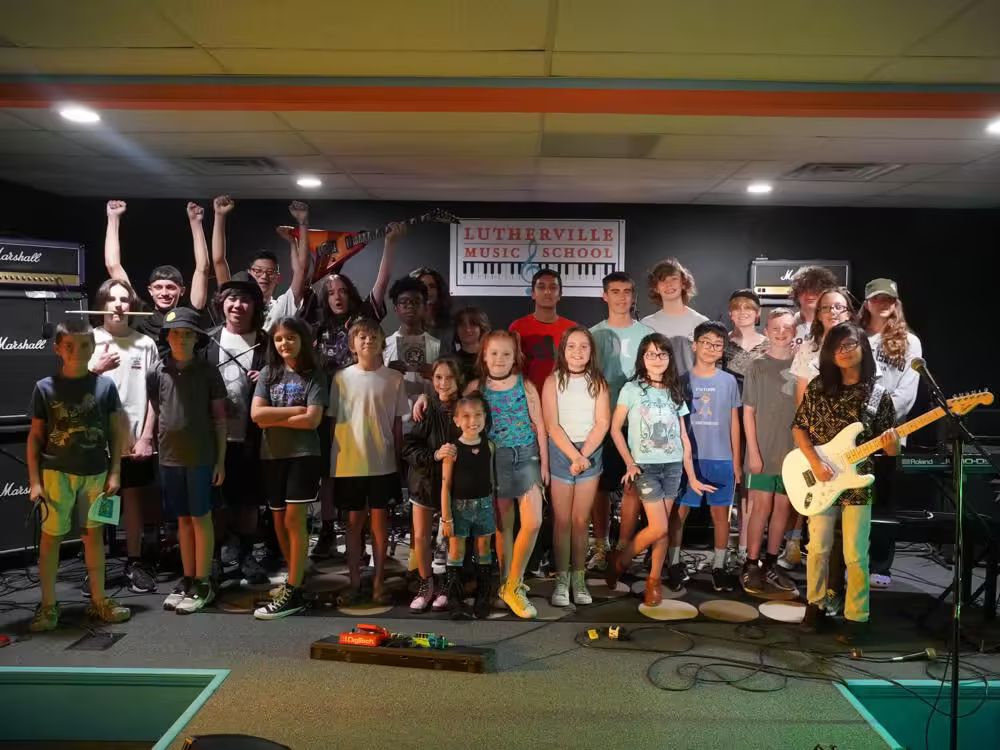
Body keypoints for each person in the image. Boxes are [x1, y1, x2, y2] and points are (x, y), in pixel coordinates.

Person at [793, 322, 899, 642]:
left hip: (858, 480)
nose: (843, 351)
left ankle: (857, 617)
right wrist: (815, 462)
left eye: (849, 344)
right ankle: (815, 604)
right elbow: (799, 427)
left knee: (855, 553)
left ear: (863, 347)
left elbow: (890, 450)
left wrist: (892, 440)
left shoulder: (878, 395)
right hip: (822, 478)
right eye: (836, 346)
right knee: (818, 547)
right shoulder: (817, 387)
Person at [26, 319, 131, 632]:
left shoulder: (105, 386)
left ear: (93, 346)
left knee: (94, 536)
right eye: (69, 345)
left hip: (96, 473)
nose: (77, 351)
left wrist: (115, 472)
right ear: (58, 348)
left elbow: (115, 433)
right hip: (56, 474)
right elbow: (35, 437)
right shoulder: (44, 388)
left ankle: (98, 600)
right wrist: (34, 480)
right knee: (51, 538)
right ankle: (47, 605)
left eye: (84, 345)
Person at [310, 224, 401, 559]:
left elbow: (381, 284)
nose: (336, 296)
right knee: (330, 475)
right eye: (330, 291)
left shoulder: (363, 320)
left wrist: (389, 243)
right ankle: (327, 531)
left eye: (342, 291)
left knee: (365, 476)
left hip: (366, 410)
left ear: (350, 294)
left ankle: (364, 539)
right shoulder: (317, 327)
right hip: (329, 410)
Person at [604, 334, 703, 606]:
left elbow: (683, 437)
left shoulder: (674, 389)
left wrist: (691, 475)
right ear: (642, 359)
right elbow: (615, 429)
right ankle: (622, 561)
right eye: (650, 354)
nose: (656, 359)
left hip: (672, 467)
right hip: (645, 467)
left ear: (670, 358)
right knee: (658, 526)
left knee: (663, 529)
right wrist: (629, 462)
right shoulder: (632, 389)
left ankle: (654, 580)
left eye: (662, 354)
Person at [149, 308, 227, 614]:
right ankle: (189, 576)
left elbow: (220, 420)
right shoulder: (157, 371)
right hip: (169, 457)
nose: (180, 338)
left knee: (200, 517)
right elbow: (157, 409)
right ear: (167, 337)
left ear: (197, 338)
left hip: (201, 457)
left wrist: (220, 460)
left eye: (187, 333)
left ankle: (204, 582)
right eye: (175, 333)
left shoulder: (208, 372)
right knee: (181, 519)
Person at [250, 317, 327, 619]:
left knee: (295, 521)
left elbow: (313, 420)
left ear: (302, 340)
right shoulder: (268, 373)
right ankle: (295, 578)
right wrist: (294, 410)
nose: (284, 343)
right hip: (272, 455)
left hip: (303, 455)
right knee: (280, 522)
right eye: (279, 339)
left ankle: (293, 590)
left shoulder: (314, 375)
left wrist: (275, 416)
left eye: (291, 337)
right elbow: (257, 415)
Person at [468, 330, 547, 619]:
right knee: (504, 527)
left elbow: (539, 425)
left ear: (516, 357)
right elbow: (460, 416)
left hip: (526, 457)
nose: (500, 359)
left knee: (534, 520)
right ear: (484, 357)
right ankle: (506, 584)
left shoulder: (525, 386)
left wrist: (545, 466)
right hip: (495, 461)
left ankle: (514, 582)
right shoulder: (477, 388)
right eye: (494, 353)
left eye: (506, 353)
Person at [87, 278, 159, 595]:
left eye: (124, 299)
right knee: (102, 501)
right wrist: (95, 369)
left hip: (133, 443)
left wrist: (146, 436)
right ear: (102, 304)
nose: (118, 305)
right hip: (96, 441)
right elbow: (68, 392)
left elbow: (155, 397)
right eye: (112, 299)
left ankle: (133, 561)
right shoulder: (88, 340)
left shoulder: (145, 344)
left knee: (131, 500)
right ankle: (100, 564)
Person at [329, 319, 408, 605]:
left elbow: (398, 425)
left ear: (382, 343)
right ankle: (353, 582)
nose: (367, 341)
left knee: (380, 526)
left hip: (383, 464)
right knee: (352, 525)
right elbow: (332, 422)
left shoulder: (394, 379)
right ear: (352, 344)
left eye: (374, 337)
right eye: (361, 337)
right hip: (348, 464)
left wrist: (397, 461)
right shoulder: (341, 378)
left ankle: (377, 583)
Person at [782, 287, 854, 570]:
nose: (834, 313)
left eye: (839, 307)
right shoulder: (808, 347)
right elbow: (801, 396)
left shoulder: (860, 344)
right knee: (820, 513)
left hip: (851, 441)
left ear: (848, 311)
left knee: (848, 520)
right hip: (817, 439)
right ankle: (817, 589)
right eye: (827, 308)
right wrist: (809, 436)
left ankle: (840, 581)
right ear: (819, 314)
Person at [204, 274, 270, 585]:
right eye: (232, 298)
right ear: (222, 302)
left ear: (255, 305)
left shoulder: (267, 341)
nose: (238, 305)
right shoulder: (207, 340)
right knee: (215, 502)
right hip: (214, 437)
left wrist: (268, 378)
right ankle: (215, 557)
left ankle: (246, 555)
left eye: (245, 299)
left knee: (248, 501)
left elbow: (286, 378)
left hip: (252, 437)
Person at [588, 272, 654, 572]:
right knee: (600, 488)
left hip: (637, 425)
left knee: (632, 487)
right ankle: (600, 547)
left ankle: (623, 549)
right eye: (615, 291)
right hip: (602, 423)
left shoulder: (647, 334)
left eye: (627, 291)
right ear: (605, 296)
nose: (621, 297)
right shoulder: (592, 335)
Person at [860, 278, 922, 588]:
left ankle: (880, 567)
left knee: (883, 501)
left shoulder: (910, 342)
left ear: (895, 303)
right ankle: (853, 561)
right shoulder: (855, 336)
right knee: (855, 501)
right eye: (876, 299)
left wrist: (875, 421)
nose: (882, 304)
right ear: (867, 303)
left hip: (888, 434)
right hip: (853, 434)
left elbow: (907, 393)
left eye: (888, 299)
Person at [542, 327, 610, 607]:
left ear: (591, 351)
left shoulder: (599, 383)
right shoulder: (552, 381)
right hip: (562, 451)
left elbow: (602, 423)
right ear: (563, 349)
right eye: (572, 346)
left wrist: (584, 455)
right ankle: (561, 580)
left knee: (581, 521)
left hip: (590, 450)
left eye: (584, 346)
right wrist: (574, 456)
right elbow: (552, 425)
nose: (578, 352)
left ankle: (579, 579)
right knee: (562, 521)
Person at [673, 321, 742, 592]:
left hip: (721, 458)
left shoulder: (728, 381)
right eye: (706, 342)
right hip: (691, 459)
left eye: (717, 344)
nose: (711, 348)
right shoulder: (681, 380)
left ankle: (719, 565)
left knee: (720, 514)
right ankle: (674, 562)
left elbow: (734, 422)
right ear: (695, 344)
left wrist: (736, 460)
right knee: (681, 512)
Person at [740, 308, 798, 595]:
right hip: (762, 449)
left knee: (782, 508)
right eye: (776, 328)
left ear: (795, 332)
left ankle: (772, 563)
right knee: (760, 508)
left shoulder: (804, 367)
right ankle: (751, 563)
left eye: (787, 328)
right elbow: (748, 412)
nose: (781, 333)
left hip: (792, 453)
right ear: (767, 331)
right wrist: (753, 451)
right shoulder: (757, 366)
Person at [104, 200, 210, 353]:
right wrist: (113, 218)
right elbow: (113, 266)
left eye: (171, 288)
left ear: (182, 290)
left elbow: (203, 269)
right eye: (158, 287)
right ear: (150, 290)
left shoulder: (188, 314)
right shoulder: (141, 313)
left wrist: (196, 223)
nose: (164, 293)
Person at [402, 358, 463, 612]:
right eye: (438, 377)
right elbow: (409, 447)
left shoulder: (467, 407)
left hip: (455, 485)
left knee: (452, 539)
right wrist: (434, 456)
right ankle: (426, 584)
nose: (443, 383)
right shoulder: (425, 407)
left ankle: (449, 585)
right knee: (421, 537)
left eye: (449, 377)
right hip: (425, 481)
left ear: (458, 379)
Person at [211, 196, 312, 333]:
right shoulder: (236, 303)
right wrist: (219, 216)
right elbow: (219, 261)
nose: (264, 276)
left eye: (270, 272)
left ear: (277, 277)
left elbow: (301, 270)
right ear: (250, 273)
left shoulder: (280, 308)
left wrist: (302, 224)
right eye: (258, 271)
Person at [440, 391, 497, 620]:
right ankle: (455, 599)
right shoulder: (452, 450)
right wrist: (446, 517)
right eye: (466, 416)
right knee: (457, 550)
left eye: (477, 415)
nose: (473, 421)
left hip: (484, 506)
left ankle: (483, 596)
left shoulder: (490, 446)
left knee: (484, 550)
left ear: (485, 417)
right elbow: (445, 485)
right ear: (456, 420)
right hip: (459, 508)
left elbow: (492, 479)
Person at [723, 289, 768, 565]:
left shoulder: (769, 343)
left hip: (758, 419)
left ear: (757, 313)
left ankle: (745, 545)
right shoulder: (721, 343)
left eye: (748, 308)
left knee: (751, 485)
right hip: (727, 417)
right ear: (730, 313)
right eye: (737, 309)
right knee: (730, 480)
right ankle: (723, 544)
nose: (743, 313)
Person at [384, 276, 441, 435]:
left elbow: (449, 388)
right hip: (394, 423)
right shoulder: (384, 346)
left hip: (429, 423)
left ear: (424, 306)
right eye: (404, 302)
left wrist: (435, 376)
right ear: (395, 308)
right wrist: (386, 373)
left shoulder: (437, 346)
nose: (410, 307)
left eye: (416, 302)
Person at [509, 269, 578, 394]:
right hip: (526, 397)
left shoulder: (572, 328)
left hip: (563, 396)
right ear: (533, 293)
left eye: (553, 287)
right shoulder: (517, 327)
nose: (547, 292)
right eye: (541, 287)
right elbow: (512, 368)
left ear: (560, 294)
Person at [640, 258, 707, 377]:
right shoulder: (646, 325)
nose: (668, 284)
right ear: (656, 288)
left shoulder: (701, 323)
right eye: (663, 280)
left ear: (684, 283)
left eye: (674, 279)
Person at [788, 266, 838, 345]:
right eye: (804, 289)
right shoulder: (787, 325)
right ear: (796, 293)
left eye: (816, 290)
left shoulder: (835, 325)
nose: (810, 294)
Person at [410, 267, 453, 346]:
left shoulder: (451, 326)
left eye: (432, 286)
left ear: (439, 290)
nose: (427, 291)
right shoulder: (408, 326)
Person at [453, 306, 491, 384]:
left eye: (473, 324)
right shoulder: (451, 360)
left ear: (481, 328)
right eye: (462, 325)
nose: (468, 329)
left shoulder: (492, 358)